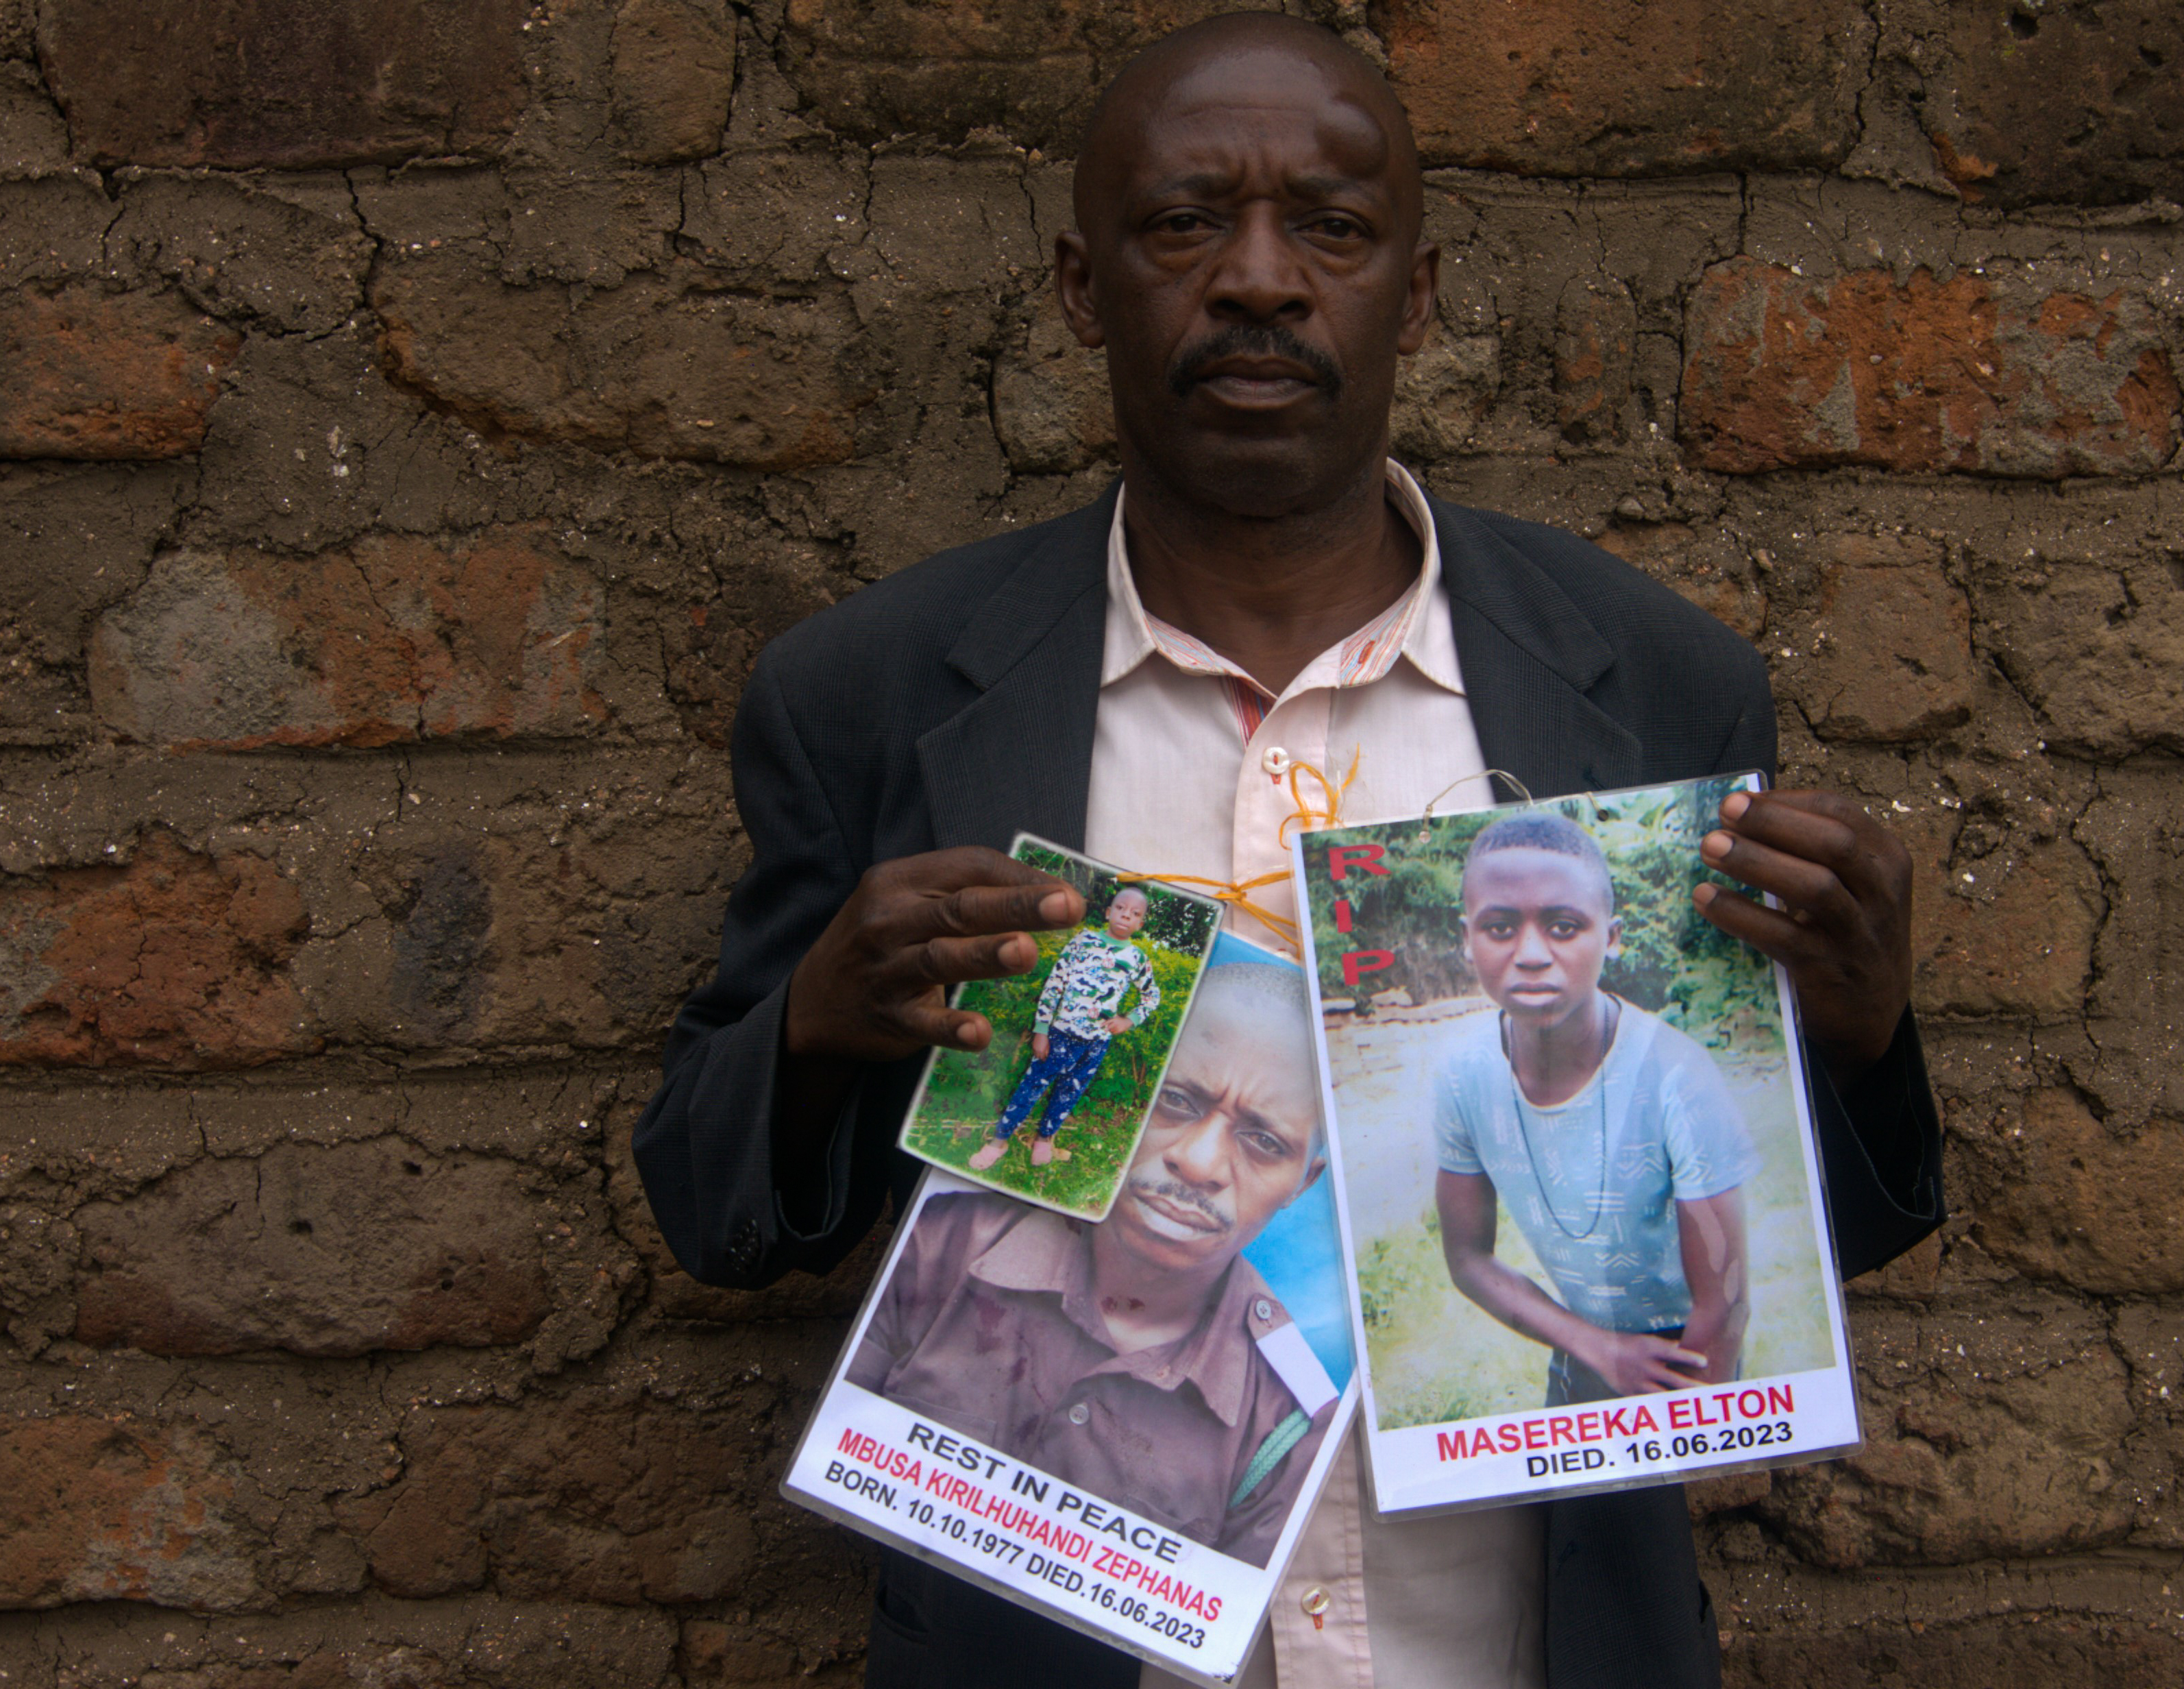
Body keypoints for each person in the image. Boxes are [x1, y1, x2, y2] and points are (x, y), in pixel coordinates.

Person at [633, 13, 1942, 1688]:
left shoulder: (1652, 683)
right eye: (1184, 225)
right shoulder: (876, 699)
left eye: (1329, 227)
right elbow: (716, 1209)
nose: (1257, 280)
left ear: (1420, 284)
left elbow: (1794, 1242)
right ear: (1080, 287)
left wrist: (1852, 1034)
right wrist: (820, 1028)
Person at [857, 962, 1338, 1566]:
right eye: (1176, 1100)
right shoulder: (944, 1243)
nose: (1199, 1162)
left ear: (1304, 1181)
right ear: (1126, 1086)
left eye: (1264, 1143)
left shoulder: (1287, 1425)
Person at [1434, 813, 1758, 1405]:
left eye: (1563, 926)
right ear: (1466, 938)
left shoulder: (1678, 1078)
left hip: (1690, 1355)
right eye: (1500, 927)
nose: (1531, 954)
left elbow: (1724, 1302)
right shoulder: (1464, 1076)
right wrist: (1595, 1347)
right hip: (1578, 1349)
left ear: (1611, 936)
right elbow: (1467, 1258)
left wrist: (1697, 1416)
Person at [970, 885, 1160, 1171]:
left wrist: (1129, 1019)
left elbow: (1151, 996)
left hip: (1096, 1043)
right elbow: (1055, 983)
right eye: (1120, 909)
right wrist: (1042, 1029)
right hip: (1059, 1034)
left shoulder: (1137, 959)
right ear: (1109, 912)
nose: (1126, 916)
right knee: (1030, 1087)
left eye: (1135, 913)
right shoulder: (1083, 941)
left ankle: (1044, 1139)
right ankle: (999, 1141)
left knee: (1069, 1093)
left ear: (1140, 923)